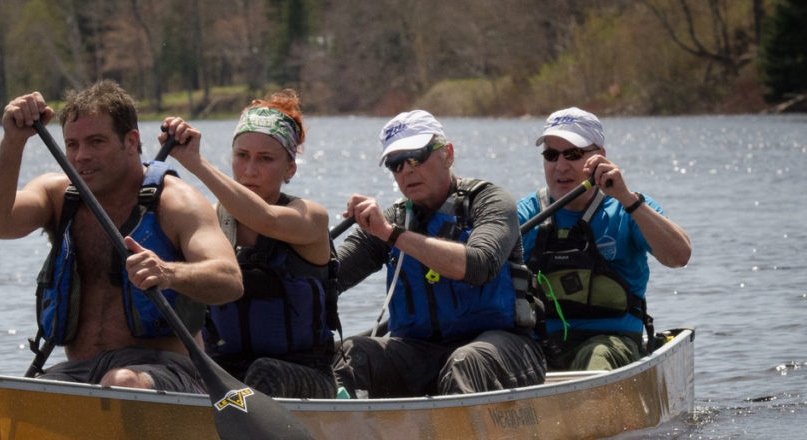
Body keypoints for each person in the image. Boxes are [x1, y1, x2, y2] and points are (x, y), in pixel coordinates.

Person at [0, 80, 243, 392]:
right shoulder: (58, 195)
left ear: (130, 142)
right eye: (72, 144)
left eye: (96, 142)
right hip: (80, 371)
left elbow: (230, 280)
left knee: (121, 381)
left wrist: (168, 273)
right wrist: (13, 140)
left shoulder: (176, 202)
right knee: (21, 398)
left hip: (167, 370)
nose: (81, 155)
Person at [334, 110, 546, 397]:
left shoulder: (491, 202)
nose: (407, 171)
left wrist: (392, 234)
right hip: (421, 354)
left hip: (502, 349)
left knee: (466, 362)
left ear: (447, 154)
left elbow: (479, 266)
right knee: (350, 354)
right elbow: (328, 276)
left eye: (416, 157)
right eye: (396, 164)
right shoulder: (392, 220)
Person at [159, 89, 340, 398]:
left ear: (290, 169)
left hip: (306, 375)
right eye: (242, 156)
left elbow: (266, 219)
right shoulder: (208, 221)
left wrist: (195, 162)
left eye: (265, 159)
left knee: (264, 373)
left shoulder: (311, 217)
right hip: (226, 373)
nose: (249, 170)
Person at [518, 107, 692, 371]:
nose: (561, 166)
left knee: (597, 355)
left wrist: (627, 199)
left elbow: (679, 257)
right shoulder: (526, 213)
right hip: (540, 344)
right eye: (551, 155)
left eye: (573, 154)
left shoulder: (628, 207)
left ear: (599, 157)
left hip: (613, 343)